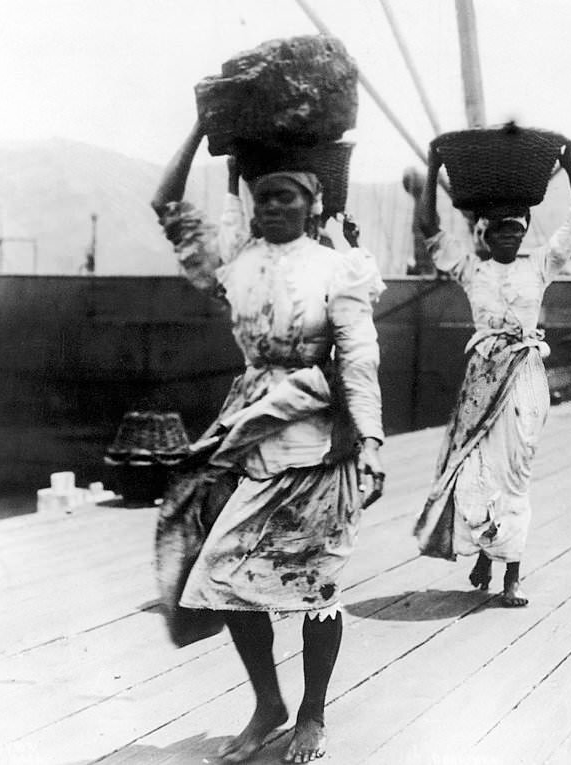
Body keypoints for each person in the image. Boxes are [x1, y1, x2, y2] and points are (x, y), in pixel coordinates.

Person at [151, 122, 386, 763]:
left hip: (319, 443)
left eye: (287, 196)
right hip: (252, 433)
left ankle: (311, 715)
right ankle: (268, 703)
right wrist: (200, 128)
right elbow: (167, 207)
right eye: (264, 195)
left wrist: (370, 441)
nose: (273, 205)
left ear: (314, 203)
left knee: (319, 583)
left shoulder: (337, 269)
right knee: (224, 575)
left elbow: (359, 359)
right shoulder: (237, 263)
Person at [413, 139, 571, 608]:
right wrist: (433, 169)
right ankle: (484, 551)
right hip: (482, 381)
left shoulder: (541, 266)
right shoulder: (472, 271)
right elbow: (429, 227)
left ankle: (512, 573)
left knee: (515, 474)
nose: (509, 237)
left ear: (525, 231)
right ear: (487, 234)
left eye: (517, 229)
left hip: (525, 380)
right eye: (501, 230)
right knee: (473, 470)